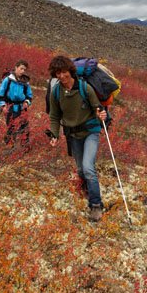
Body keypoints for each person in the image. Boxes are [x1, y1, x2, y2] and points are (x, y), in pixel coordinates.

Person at [47, 55, 108, 222]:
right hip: (73, 135)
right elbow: (54, 115)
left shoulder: (84, 88)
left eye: (64, 72)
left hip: (90, 132)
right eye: (58, 73)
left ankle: (95, 205)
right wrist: (54, 134)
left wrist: (101, 113)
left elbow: (98, 108)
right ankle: (88, 192)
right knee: (81, 170)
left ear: (70, 71)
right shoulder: (56, 92)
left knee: (88, 168)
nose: (61, 76)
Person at [0, 60, 33, 149]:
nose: (23, 71)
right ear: (16, 67)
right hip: (10, 107)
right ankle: (9, 146)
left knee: (25, 127)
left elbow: (29, 96)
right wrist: (3, 106)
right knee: (11, 126)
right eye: (21, 68)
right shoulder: (8, 80)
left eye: (24, 69)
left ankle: (25, 147)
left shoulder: (25, 82)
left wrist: (26, 102)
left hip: (21, 108)